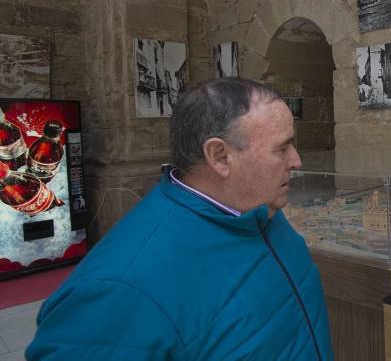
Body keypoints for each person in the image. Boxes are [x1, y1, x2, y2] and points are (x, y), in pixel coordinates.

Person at [26, 78, 334, 360]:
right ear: (220, 157)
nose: (296, 161)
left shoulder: (259, 212)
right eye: (282, 149)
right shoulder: (120, 288)